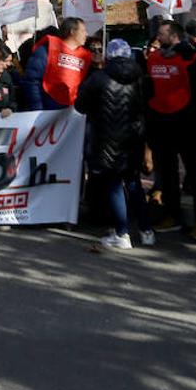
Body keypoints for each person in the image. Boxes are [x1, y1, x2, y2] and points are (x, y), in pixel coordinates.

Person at [76, 39, 151, 250]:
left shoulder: (99, 78)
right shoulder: (142, 79)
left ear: (109, 55)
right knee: (134, 184)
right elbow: (147, 104)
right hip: (134, 138)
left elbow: (80, 105)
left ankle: (122, 233)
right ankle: (146, 231)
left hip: (107, 139)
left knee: (114, 185)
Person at [144, 19, 196, 239]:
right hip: (163, 126)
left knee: (194, 174)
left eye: (163, 34)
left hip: (188, 126)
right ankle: (172, 215)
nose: (159, 37)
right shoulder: (153, 59)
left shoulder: (192, 59)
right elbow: (148, 90)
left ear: (174, 36)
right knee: (168, 174)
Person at [20, 17, 91, 111]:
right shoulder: (48, 50)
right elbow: (31, 80)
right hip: (47, 109)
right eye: (83, 31)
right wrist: (37, 108)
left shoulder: (84, 56)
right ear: (72, 32)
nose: (86, 34)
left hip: (71, 110)